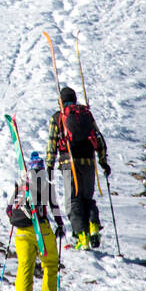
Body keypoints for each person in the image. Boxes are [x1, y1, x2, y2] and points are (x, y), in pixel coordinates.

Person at [45, 86, 109, 250]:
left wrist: (50, 165)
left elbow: (52, 142)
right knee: (87, 198)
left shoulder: (59, 117)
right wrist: (103, 162)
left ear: (61, 101)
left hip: (69, 163)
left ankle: (82, 238)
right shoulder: (86, 115)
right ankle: (93, 226)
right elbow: (99, 138)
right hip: (89, 162)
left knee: (73, 201)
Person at [6, 151, 64, 291]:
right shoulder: (46, 184)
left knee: (25, 267)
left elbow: (9, 210)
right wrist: (60, 225)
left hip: (22, 232)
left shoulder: (21, 186)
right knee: (51, 264)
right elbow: (54, 207)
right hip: (42, 229)